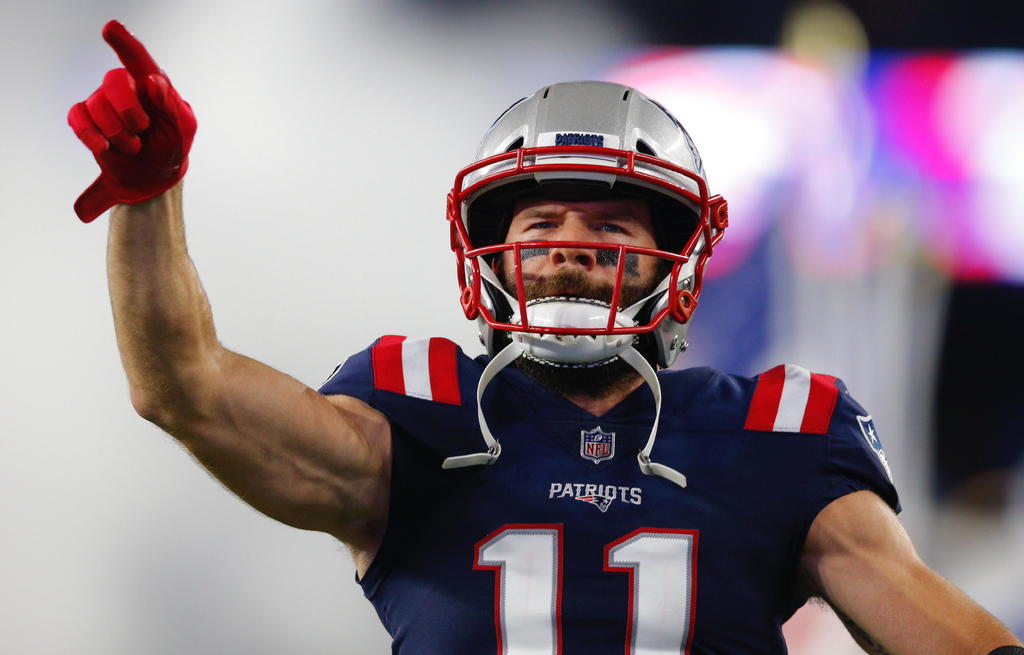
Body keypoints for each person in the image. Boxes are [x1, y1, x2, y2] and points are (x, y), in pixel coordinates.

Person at [69, 20, 1022, 655]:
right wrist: (149, 196)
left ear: (676, 262)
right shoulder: (417, 406)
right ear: (489, 251)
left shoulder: (779, 431)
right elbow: (183, 387)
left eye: (609, 226)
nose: (570, 246)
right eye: (539, 224)